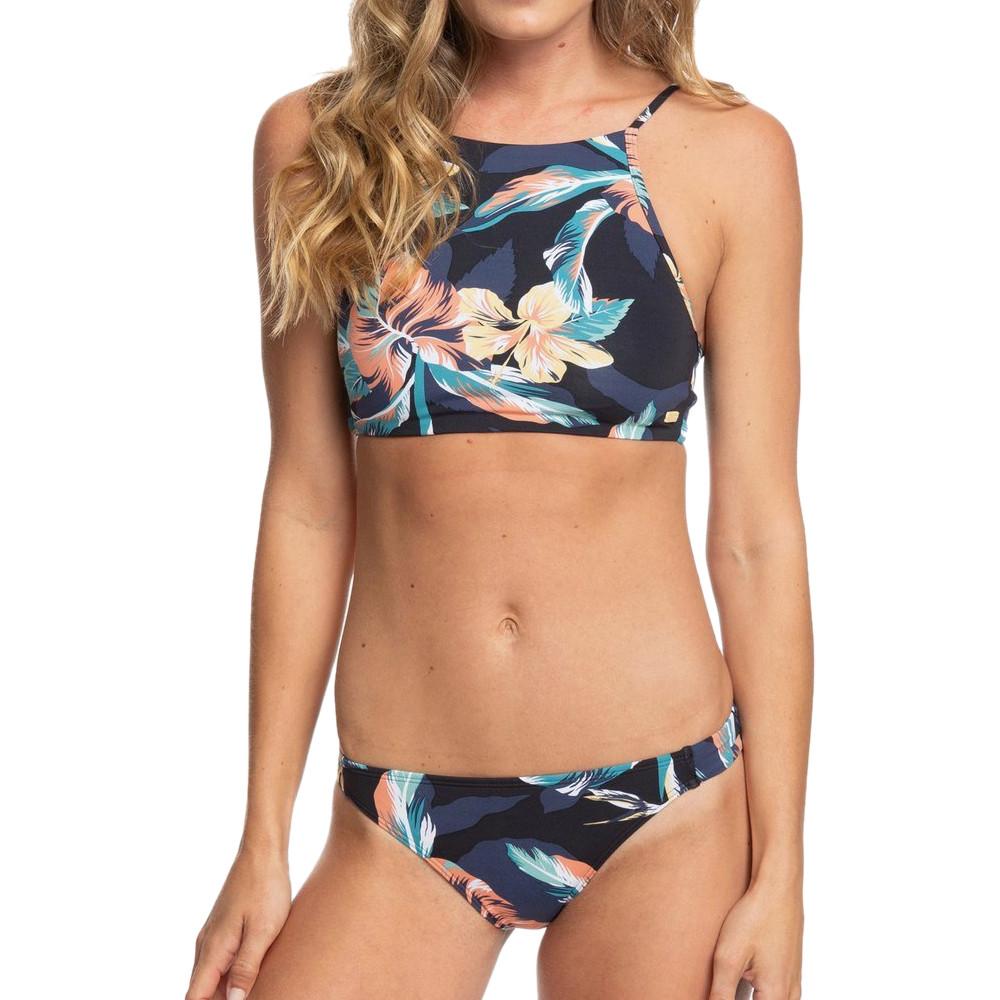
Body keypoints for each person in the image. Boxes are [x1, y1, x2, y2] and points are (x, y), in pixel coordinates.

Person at [187, 1, 811, 997]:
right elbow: (307, 501)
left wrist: (781, 872)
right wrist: (262, 842)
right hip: (400, 812)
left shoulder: (728, 153)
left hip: (664, 805)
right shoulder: (320, 146)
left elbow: (756, 536)